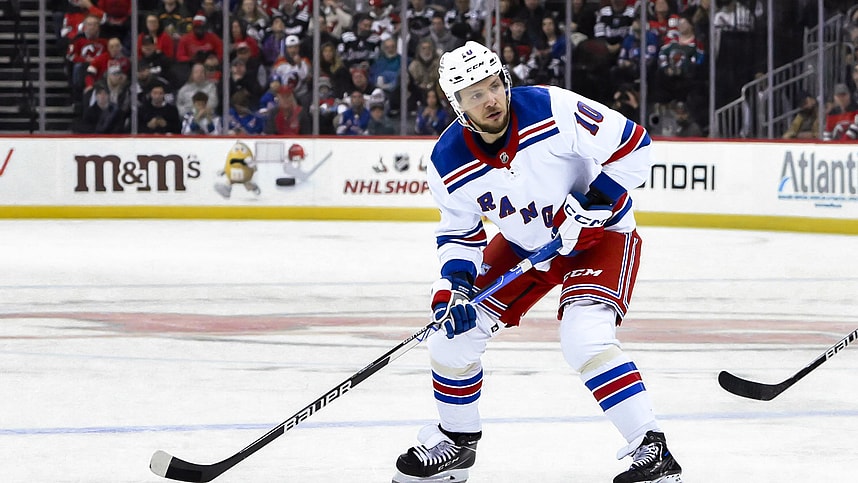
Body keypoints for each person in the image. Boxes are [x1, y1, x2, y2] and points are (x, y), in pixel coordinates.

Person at [391, 41, 682, 483]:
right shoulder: (447, 159)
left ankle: (652, 450)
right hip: (526, 245)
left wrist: (589, 203)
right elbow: (459, 232)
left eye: (493, 85)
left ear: (505, 80)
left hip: (598, 237)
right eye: (474, 93)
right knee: (451, 339)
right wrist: (455, 284)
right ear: (457, 104)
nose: (489, 98)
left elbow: (635, 146)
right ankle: (457, 442)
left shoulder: (552, 107)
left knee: (583, 338)